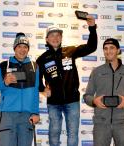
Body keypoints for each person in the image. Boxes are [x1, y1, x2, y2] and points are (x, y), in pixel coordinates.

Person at [36, 15, 97, 146]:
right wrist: (42, 89)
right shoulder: (42, 59)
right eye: (52, 35)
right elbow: (36, 80)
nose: (55, 38)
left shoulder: (70, 51)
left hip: (72, 101)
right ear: (47, 39)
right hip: (54, 103)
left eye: (58, 35)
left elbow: (91, 47)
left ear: (61, 37)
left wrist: (92, 28)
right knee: (54, 133)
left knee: (73, 133)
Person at [83, 38, 124, 146]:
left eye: (112, 48)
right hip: (101, 122)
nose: (108, 51)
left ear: (118, 50)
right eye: (105, 48)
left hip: (122, 123)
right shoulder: (97, 71)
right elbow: (87, 95)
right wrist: (94, 101)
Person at [0, 32, 40, 146]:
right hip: (7, 116)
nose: (22, 50)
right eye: (19, 46)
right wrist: (4, 83)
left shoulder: (34, 66)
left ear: (28, 49)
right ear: (14, 48)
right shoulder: (3, 66)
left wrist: (35, 112)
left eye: (25, 47)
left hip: (27, 116)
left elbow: (35, 91)